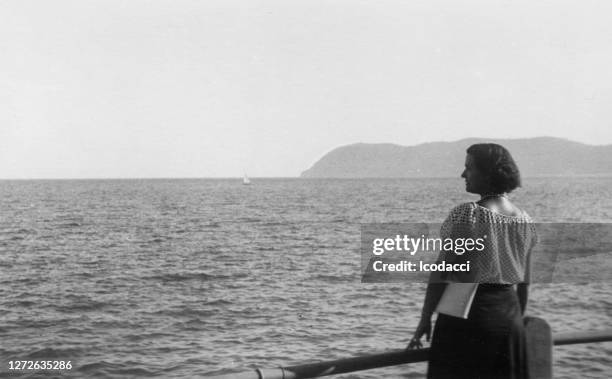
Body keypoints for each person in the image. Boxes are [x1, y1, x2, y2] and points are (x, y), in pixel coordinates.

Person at [407, 143, 538, 379]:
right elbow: (524, 284)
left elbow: (440, 274)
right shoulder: (526, 221)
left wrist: (425, 319)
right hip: (509, 321)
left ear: (488, 173)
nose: (463, 174)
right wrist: (515, 323)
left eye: (469, 168)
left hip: (468, 323)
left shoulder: (468, 215)